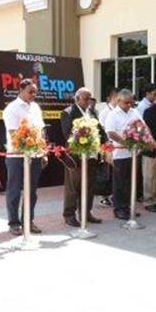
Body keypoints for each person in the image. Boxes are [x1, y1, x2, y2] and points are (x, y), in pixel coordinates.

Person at [3, 78, 46, 235]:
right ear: (20, 90)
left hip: (34, 154)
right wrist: (28, 146)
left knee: (32, 191)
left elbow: (41, 130)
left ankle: (28, 221)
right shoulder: (12, 109)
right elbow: (14, 133)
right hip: (16, 155)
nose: (33, 95)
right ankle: (14, 223)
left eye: (35, 92)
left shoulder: (35, 107)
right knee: (14, 190)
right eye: (30, 92)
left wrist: (43, 151)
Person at [61, 88, 103, 227]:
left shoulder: (93, 112)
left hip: (91, 155)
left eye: (90, 99)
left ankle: (86, 212)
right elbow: (68, 134)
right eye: (86, 99)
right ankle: (69, 215)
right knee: (73, 187)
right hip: (76, 156)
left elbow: (100, 130)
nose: (89, 102)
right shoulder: (68, 112)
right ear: (77, 98)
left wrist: (105, 141)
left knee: (90, 185)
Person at [105, 89, 143, 220]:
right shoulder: (113, 114)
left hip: (133, 153)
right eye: (126, 103)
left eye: (131, 103)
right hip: (120, 153)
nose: (129, 105)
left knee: (130, 182)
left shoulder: (135, 112)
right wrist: (125, 142)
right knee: (119, 182)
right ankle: (119, 209)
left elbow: (142, 127)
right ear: (119, 100)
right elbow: (110, 132)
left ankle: (127, 207)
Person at [97, 87, 119, 208]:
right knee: (107, 173)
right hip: (108, 146)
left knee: (114, 173)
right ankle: (104, 197)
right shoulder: (105, 112)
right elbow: (103, 131)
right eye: (118, 98)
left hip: (118, 146)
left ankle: (112, 195)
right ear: (113, 98)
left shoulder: (117, 111)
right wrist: (105, 150)